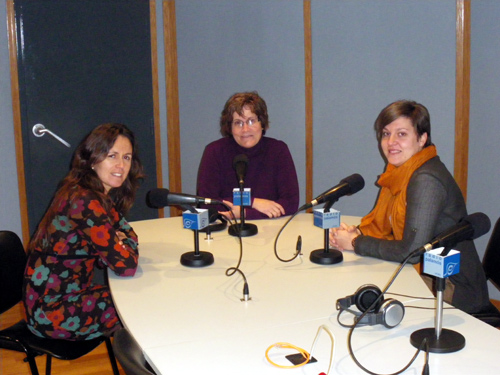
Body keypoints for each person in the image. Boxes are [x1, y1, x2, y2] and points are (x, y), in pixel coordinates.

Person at [329, 100, 490, 314]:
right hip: (423, 272)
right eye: (386, 134)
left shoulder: (426, 179)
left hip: (451, 287)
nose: (391, 142)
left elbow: (411, 252)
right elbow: (390, 226)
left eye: (402, 134)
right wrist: (357, 232)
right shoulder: (399, 172)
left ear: (422, 138)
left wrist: (356, 242)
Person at [23, 123, 144, 340]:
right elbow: (126, 266)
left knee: (136, 298)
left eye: (127, 157)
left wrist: (123, 242)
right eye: (111, 155)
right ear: (92, 160)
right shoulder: (84, 200)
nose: (120, 165)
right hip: (51, 312)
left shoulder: (92, 193)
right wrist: (123, 244)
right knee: (139, 303)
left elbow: (128, 232)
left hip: (61, 299)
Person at [197, 91, 299, 220]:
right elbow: (207, 203)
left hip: (271, 228)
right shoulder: (214, 151)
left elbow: (291, 203)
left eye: (251, 121)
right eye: (238, 123)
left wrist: (244, 214)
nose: (245, 129)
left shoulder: (278, 150)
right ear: (230, 127)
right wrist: (254, 202)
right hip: (226, 229)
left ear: (262, 123)